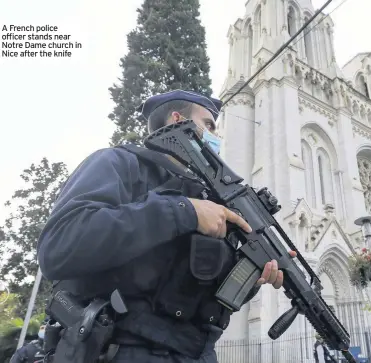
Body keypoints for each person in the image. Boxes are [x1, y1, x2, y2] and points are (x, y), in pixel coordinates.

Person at [37, 90, 296, 363]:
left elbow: (203, 302)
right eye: (208, 125)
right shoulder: (121, 163)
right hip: (119, 348)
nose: (215, 137)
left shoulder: (210, 201)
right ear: (177, 120)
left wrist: (252, 278)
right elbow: (59, 245)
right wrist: (185, 211)